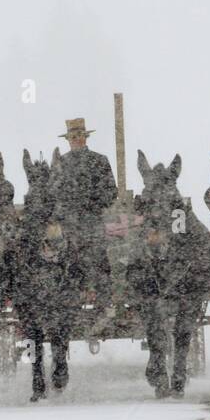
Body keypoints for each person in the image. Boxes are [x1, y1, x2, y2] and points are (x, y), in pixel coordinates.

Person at [51, 118, 118, 305]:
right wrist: (67, 206)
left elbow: (111, 191)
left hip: (93, 223)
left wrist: (91, 201)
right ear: (68, 139)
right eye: (73, 136)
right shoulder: (60, 164)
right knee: (67, 264)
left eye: (80, 135)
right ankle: (69, 306)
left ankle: (104, 306)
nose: (76, 139)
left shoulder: (99, 160)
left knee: (99, 262)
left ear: (85, 137)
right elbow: (52, 193)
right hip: (68, 226)